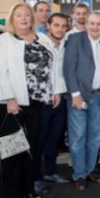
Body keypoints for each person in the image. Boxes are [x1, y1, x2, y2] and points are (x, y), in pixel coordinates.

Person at [0, 3, 59, 198]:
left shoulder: (43, 39)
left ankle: (28, 188)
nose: (23, 19)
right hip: (13, 102)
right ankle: (11, 193)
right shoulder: (5, 40)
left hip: (37, 102)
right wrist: (9, 98)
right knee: (13, 148)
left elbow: (53, 67)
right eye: (19, 15)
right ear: (12, 19)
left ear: (32, 19)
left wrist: (56, 90)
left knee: (32, 147)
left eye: (27, 15)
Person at [63, 12, 100, 191]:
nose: (95, 27)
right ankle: (79, 174)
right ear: (85, 24)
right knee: (78, 137)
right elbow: (68, 68)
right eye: (92, 23)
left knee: (95, 136)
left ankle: (90, 169)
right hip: (79, 95)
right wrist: (75, 94)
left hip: (99, 97)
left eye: (99, 24)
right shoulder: (75, 40)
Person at [36, 13, 71, 186]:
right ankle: (35, 177)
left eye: (63, 26)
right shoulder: (39, 43)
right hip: (44, 99)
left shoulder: (66, 44)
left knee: (54, 138)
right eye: (56, 25)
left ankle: (50, 171)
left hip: (62, 98)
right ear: (48, 25)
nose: (60, 29)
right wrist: (50, 93)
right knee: (38, 139)